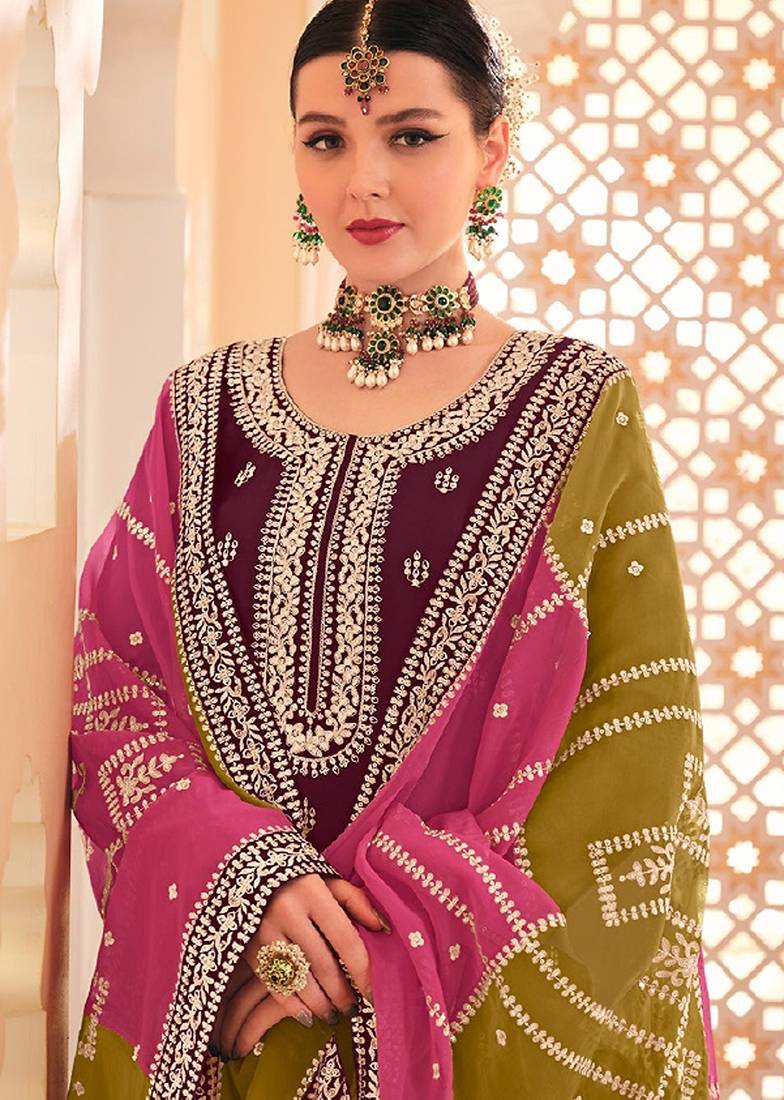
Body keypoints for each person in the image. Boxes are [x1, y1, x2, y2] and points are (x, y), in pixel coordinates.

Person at [66, 0, 722, 1096]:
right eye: (326, 139)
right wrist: (247, 891)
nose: (363, 181)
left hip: (459, 1028)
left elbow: (632, 760)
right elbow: (115, 688)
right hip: (230, 1010)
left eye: (411, 136)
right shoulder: (203, 409)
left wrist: (381, 945)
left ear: (491, 147)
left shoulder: (576, 407)